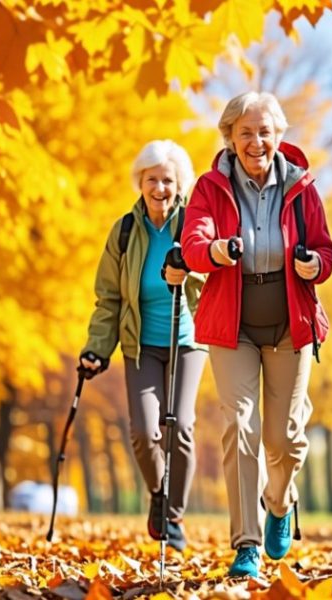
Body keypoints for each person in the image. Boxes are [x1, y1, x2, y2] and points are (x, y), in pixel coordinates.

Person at [181, 91, 332, 577]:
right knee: (240, 427)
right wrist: (215, 254)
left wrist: (314, 264)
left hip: (291, 323)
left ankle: (279, 501)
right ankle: (246, 543)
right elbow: (192, 243)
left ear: (279, 136)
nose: (256, 141)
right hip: (234, 324)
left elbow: (326, 251)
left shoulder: (302, 186)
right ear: (229, 137)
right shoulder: (210, 186)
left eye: (264, 131)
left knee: (285, 437)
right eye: (245, 132)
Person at [80, 139, 204, 551]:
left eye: (167, 180)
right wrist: (97, 347)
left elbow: (212, 279)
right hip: (141, 345)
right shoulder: (125, 231)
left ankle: (173, 516)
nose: (159, 188)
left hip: (187, 341)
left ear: (178, 184)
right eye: (152, 179)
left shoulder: (194, 224)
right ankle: (158, 491)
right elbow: (109, 297)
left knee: (180, 427)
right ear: (141, 181)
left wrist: (188, 274)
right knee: (143, 432)